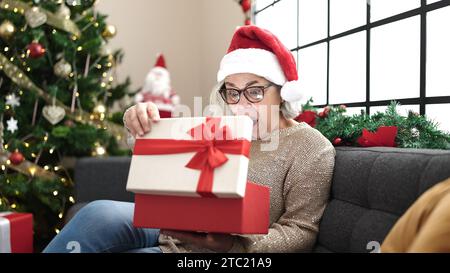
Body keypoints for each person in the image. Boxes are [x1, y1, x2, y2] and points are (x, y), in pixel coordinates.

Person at [43, 25, 335, 253]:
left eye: (254, 91)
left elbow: (300, 232)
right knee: (97, 214)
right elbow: (167, 162)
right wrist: (139, 124)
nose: (240, 104)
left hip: (218, 251)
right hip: (172, 228)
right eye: (232, 92)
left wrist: (233, 246)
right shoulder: (224, 128)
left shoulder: (311, 147)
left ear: (282, 92)